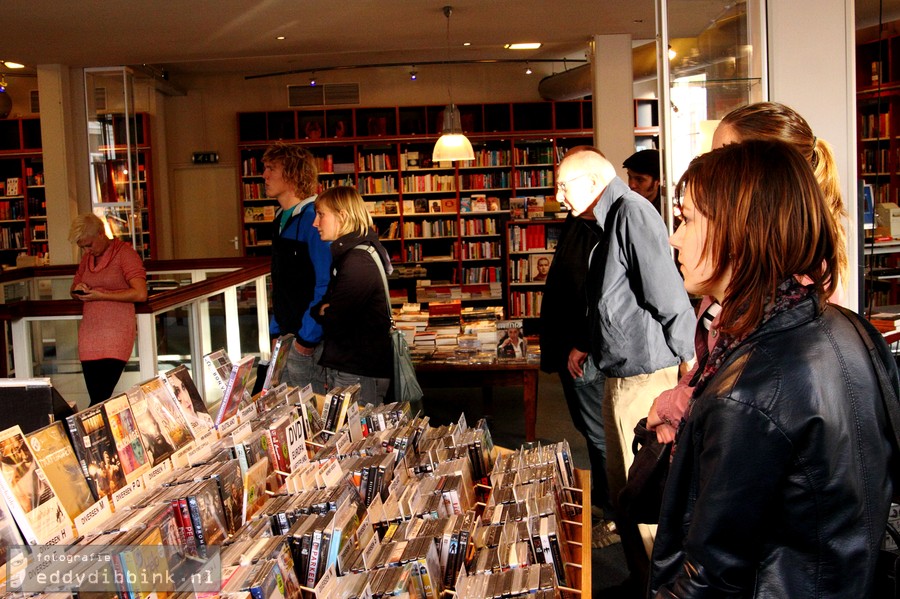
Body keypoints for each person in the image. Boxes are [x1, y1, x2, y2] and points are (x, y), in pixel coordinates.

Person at [650, 139, 894, 597]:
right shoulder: (851, 328)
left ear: (740, 230)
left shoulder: (747, 391)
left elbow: (709, 581)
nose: (674, 237)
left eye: (686, 220)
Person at [649, 102, 849, 445]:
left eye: (728, 158)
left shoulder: (797, 291)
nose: (715, 171)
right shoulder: (736, 276)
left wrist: (672, 404)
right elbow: (715, 368)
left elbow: (750, 393)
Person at [555, 146, 696, 590]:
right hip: (622, 373)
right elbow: (612, 301)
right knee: (624, 490)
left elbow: (666, 293)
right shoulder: (607, 219)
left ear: (594, 183)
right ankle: (642, 578)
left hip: (645, 377)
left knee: (647, 490)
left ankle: (661, 584)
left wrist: (691, 358)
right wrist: (586, 344)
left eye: (564, 186)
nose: (558, 196)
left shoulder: (631, 214)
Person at [538, 207, 612, 533]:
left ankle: (615, 513)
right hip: (571, 346)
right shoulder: (578, 224)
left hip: (584, 351)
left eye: (565, 186)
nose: (559, 195)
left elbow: (597, 294)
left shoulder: (599, 227)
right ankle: (604, 498)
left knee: (600, 435)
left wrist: (581, 341)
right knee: (590, 429)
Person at [311, 186, 393, 406]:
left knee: (360, 437)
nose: (315, 223)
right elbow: (331, 309)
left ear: (342, 216)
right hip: (356, 366)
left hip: (358, 370)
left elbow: (335, 318)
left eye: (321, 215)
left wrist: (323, 310)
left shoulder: (357, 260)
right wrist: (324, 309)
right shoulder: (355, 253)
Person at [264, 142, 332, 394]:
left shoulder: (314, 218)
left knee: (312, 414)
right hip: (286, 339)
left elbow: (325, 284)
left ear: (292, 174)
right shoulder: (280, 218)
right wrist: (275, 331)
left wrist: (307, 339)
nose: (265, 175)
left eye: (271, 168)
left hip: (307, 343)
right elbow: (280, 283)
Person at [69, 214, 147, 407]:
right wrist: (79, 292)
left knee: (100, 396)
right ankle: (92, 434)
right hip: (90, 335)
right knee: (97, 397)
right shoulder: (87, 259)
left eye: (89, 245)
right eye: (83, 247)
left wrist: (102, 295)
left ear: (101, 233)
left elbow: (140, 294)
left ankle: (81, 433)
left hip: (116, 333)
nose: (87, 250)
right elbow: (73, 288)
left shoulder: (125, 254)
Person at [623, 149, 662, 214]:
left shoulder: (667, 214)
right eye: (629, 177)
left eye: (640, 180)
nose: (631, 185)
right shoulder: (625, 205)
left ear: (658, 181)